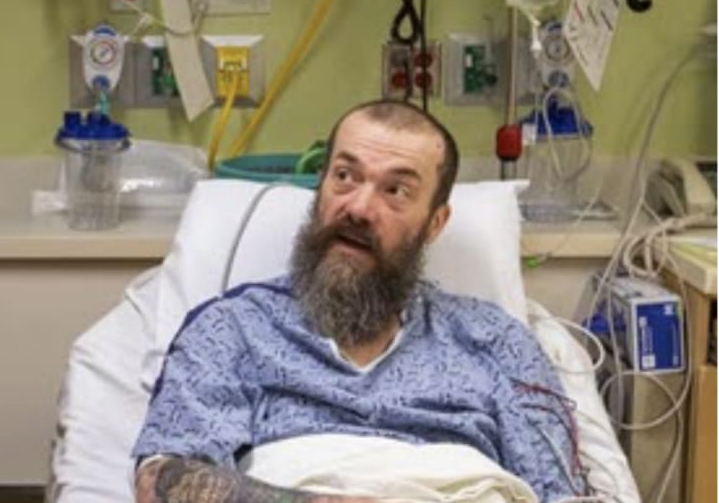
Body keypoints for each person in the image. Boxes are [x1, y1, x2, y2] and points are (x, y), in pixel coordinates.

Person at [133, 101, 580, 503]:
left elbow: (562, 494)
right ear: (320, 188)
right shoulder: (233, 329)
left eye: (396, 191)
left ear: (434, 224)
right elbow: (164, 480)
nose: (359, 208)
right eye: (345, 177)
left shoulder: (496, 342)